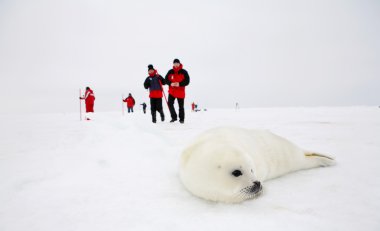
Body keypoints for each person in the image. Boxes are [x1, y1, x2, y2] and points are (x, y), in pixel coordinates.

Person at [165, 58, 190, 123]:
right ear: (173, 64)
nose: (176, 65)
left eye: (177, 63)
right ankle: (174, 117)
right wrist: (170, 83)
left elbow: (187, 81)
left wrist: (179, 84)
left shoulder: (184, 72)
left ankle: (181, 119)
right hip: (172, 91)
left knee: (181, 106)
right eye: (174, 63)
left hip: (180, 92)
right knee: (170, 104)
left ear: (179, 64)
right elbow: (166, 80)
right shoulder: (170, 71)